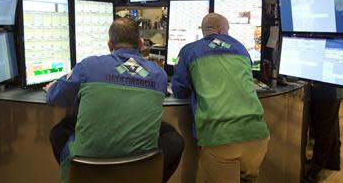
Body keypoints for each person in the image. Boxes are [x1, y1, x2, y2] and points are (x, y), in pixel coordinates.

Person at [44, 18, 184, 183]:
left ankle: (74, 173)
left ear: (110, 44)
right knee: (172, 136)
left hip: (88, 168)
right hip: (140, 169)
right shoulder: (159, 75)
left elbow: (56, 96)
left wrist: (52, 87)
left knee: (60, 130)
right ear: (140, 44)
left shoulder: (88, 66)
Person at [172, 13, 270, 183]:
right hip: (258, 134)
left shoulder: (189, 50)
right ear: (222, 29)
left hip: (219, 135)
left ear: (205, 31)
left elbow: (179, 90)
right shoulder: (241, 48)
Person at [303, 84, 342, 183]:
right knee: (330, 127)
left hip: (325, 93)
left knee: (323, 132)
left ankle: (314, 170)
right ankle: (332, 161)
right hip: (331, 93)